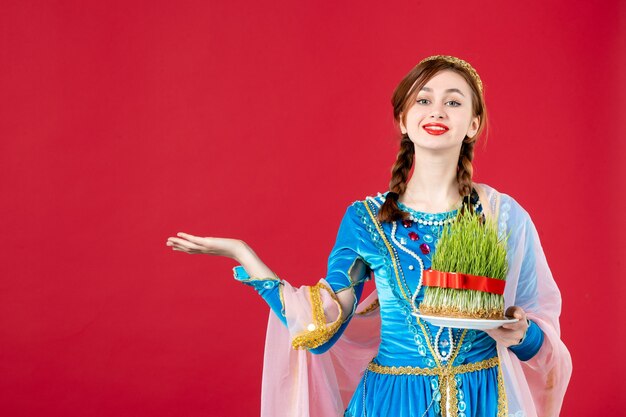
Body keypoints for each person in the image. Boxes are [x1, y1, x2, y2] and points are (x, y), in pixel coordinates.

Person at [166, 55, 572, 417]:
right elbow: (322, 330)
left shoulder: (503, 216)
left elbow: (539, 331)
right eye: (423, 99)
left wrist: (522, 333)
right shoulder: (366, 219)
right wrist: (244, 254)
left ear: (473, 124)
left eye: (454, 101)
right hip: (392, 401)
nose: (437, 110)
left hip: (486, 398)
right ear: (402, 119)